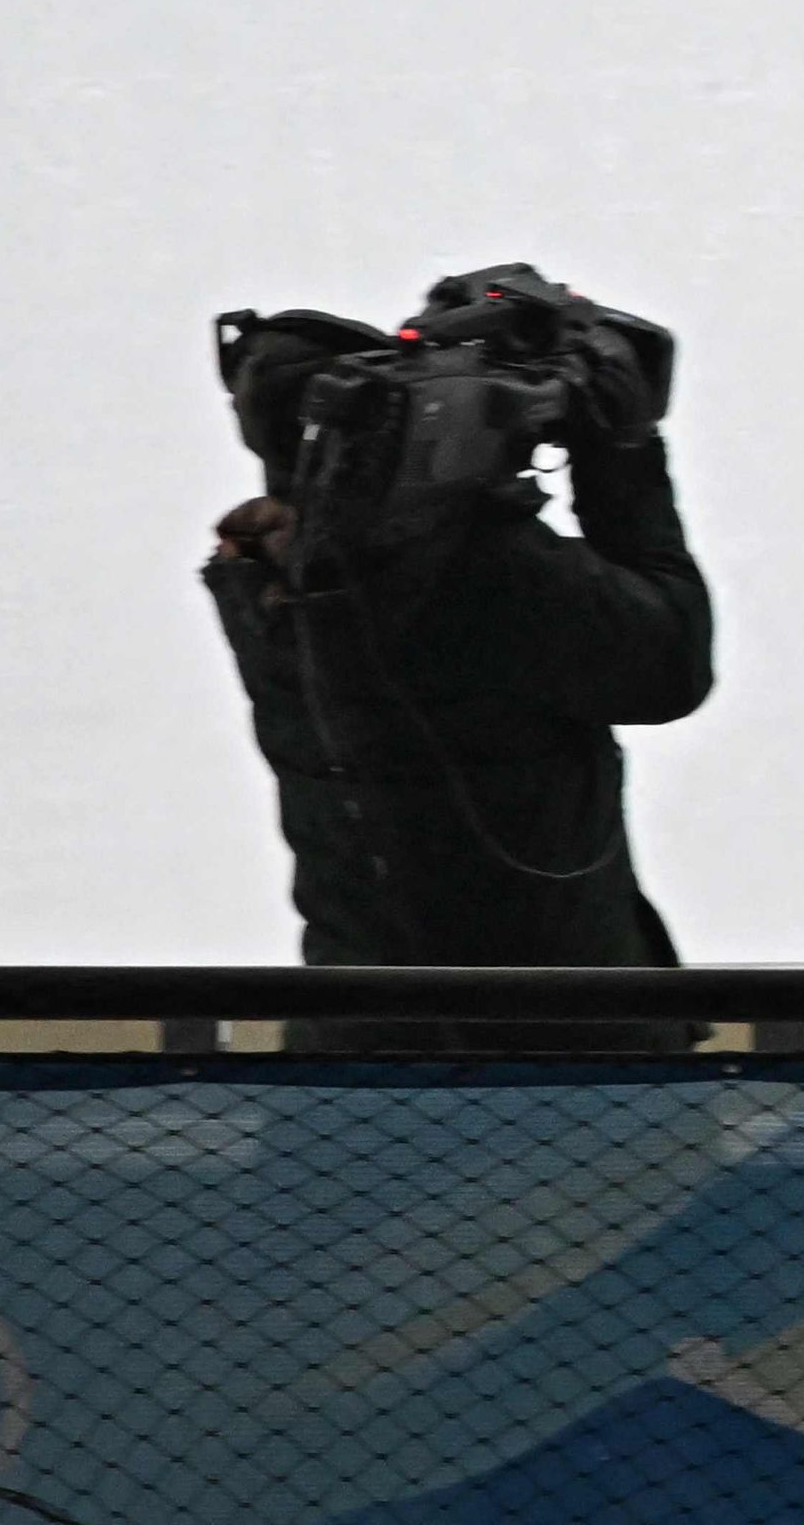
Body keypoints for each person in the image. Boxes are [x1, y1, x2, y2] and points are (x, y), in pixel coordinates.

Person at [206, 268, 711, 1043]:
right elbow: (670, 664)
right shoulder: (489, 577)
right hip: (571, 1050)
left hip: (359, 1042)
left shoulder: (264, 576)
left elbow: (354, 516)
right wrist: (622, 455)